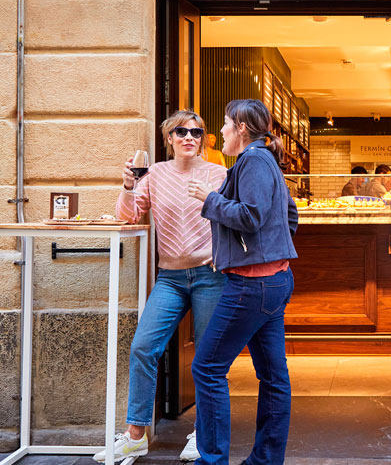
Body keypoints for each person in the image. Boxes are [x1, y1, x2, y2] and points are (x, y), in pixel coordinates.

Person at [94, 110, 227, 463]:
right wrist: (127, 186)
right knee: (143, 348)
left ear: (203, 139)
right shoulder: (154, 175)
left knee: (208, 358)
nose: (189, 138)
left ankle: (203, 434)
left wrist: (223, 255)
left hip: (209, 275)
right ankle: (136, 434)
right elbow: (128, 215)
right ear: (168, 138)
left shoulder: (219, 174)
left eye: (196, 133)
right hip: (169, 277)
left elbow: (232, 217)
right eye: (180, 132)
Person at [187, 98, 298, 465]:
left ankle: (212, 459)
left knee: (206, 367)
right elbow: (288, 217)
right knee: (273, 377)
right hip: (273, 281)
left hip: (251, 287)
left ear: (242, 129)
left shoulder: (252, 160)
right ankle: (265, 461)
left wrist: (210, 199)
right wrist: (237, 253)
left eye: (224, 124)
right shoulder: (265, 160)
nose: (219, 131)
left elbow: (250, 217)